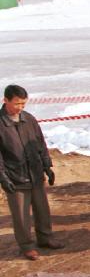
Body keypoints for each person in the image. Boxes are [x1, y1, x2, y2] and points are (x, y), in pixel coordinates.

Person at [0, 84, 64, 261]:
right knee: (21, 214)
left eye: (23, 104)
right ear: (5, 101)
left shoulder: (29, 119)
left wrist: (47, 166)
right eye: (17, 103)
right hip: (15, 176)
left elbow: (40, 144)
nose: (20, 107)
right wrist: (3, 177)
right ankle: (26, 245)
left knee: (42, 208)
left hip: (35, 173)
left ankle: (45, 238)